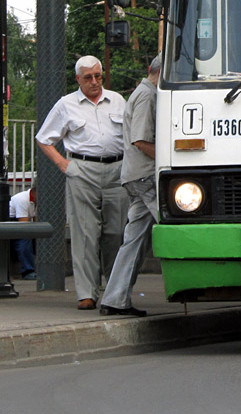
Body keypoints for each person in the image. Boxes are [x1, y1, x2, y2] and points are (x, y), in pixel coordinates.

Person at [36, 56, 127, 310]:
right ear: (78, 79)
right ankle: (87, 293)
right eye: (88, 78)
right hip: (83, 170)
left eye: (98, 76)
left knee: (117, 233)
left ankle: (114, 291)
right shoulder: (66, 105)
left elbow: (131, 134)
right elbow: (44, 138)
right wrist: (64, 164)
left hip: (117, 171)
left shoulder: (117, 100)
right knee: (85, 233)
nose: (95, 82)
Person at [100, 55, 161, 318]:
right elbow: (141, 140)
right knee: (180, 224)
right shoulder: (147, 95)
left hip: (136, 175)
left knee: (133, 240)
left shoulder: (142, 92)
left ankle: (115, 298)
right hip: (147, 176)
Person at [8, 186, 36, 280]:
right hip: (13, 223)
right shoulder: (22, 200)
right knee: (25, 239)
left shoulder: (36, 201)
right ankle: (27, 270)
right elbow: (23, 224)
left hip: (23, 223)